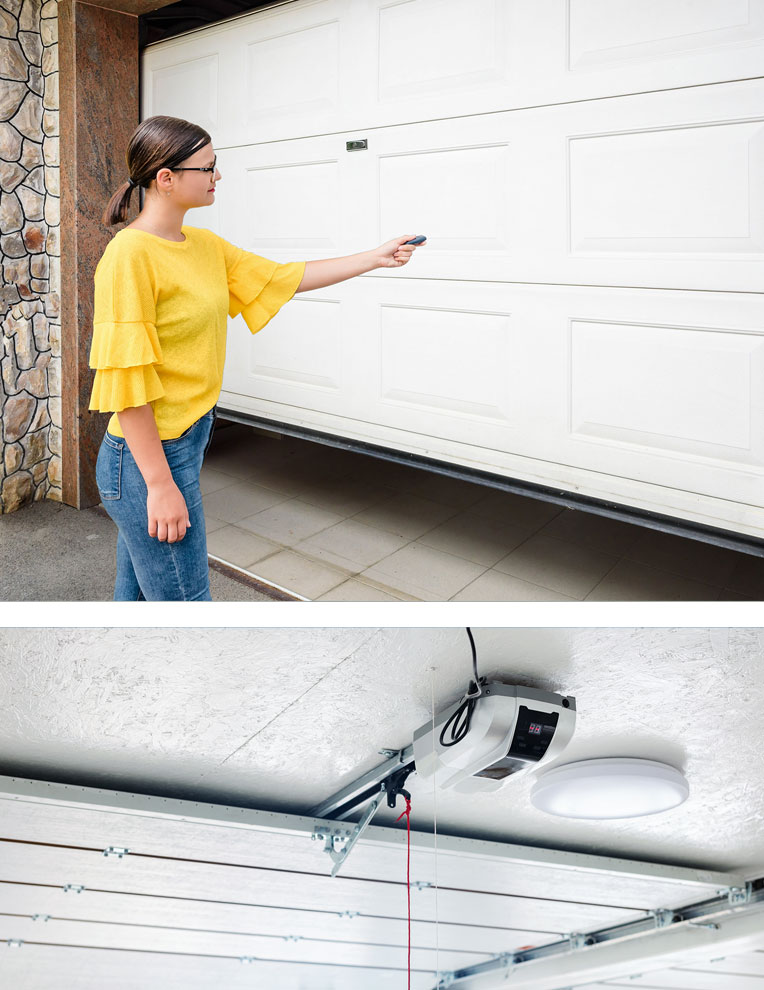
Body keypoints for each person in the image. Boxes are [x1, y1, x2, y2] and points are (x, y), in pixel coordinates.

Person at [89, 114, 425, 602]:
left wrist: (372, 257)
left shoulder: (203, 246)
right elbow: (126, 382)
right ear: (166, 179)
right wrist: (160, 485)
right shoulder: (129, 257)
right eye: (208, 168)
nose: (217, 177)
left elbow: (280, 277)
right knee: (187, 607)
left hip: (182, 443)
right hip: (146, 462)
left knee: (137, 603)